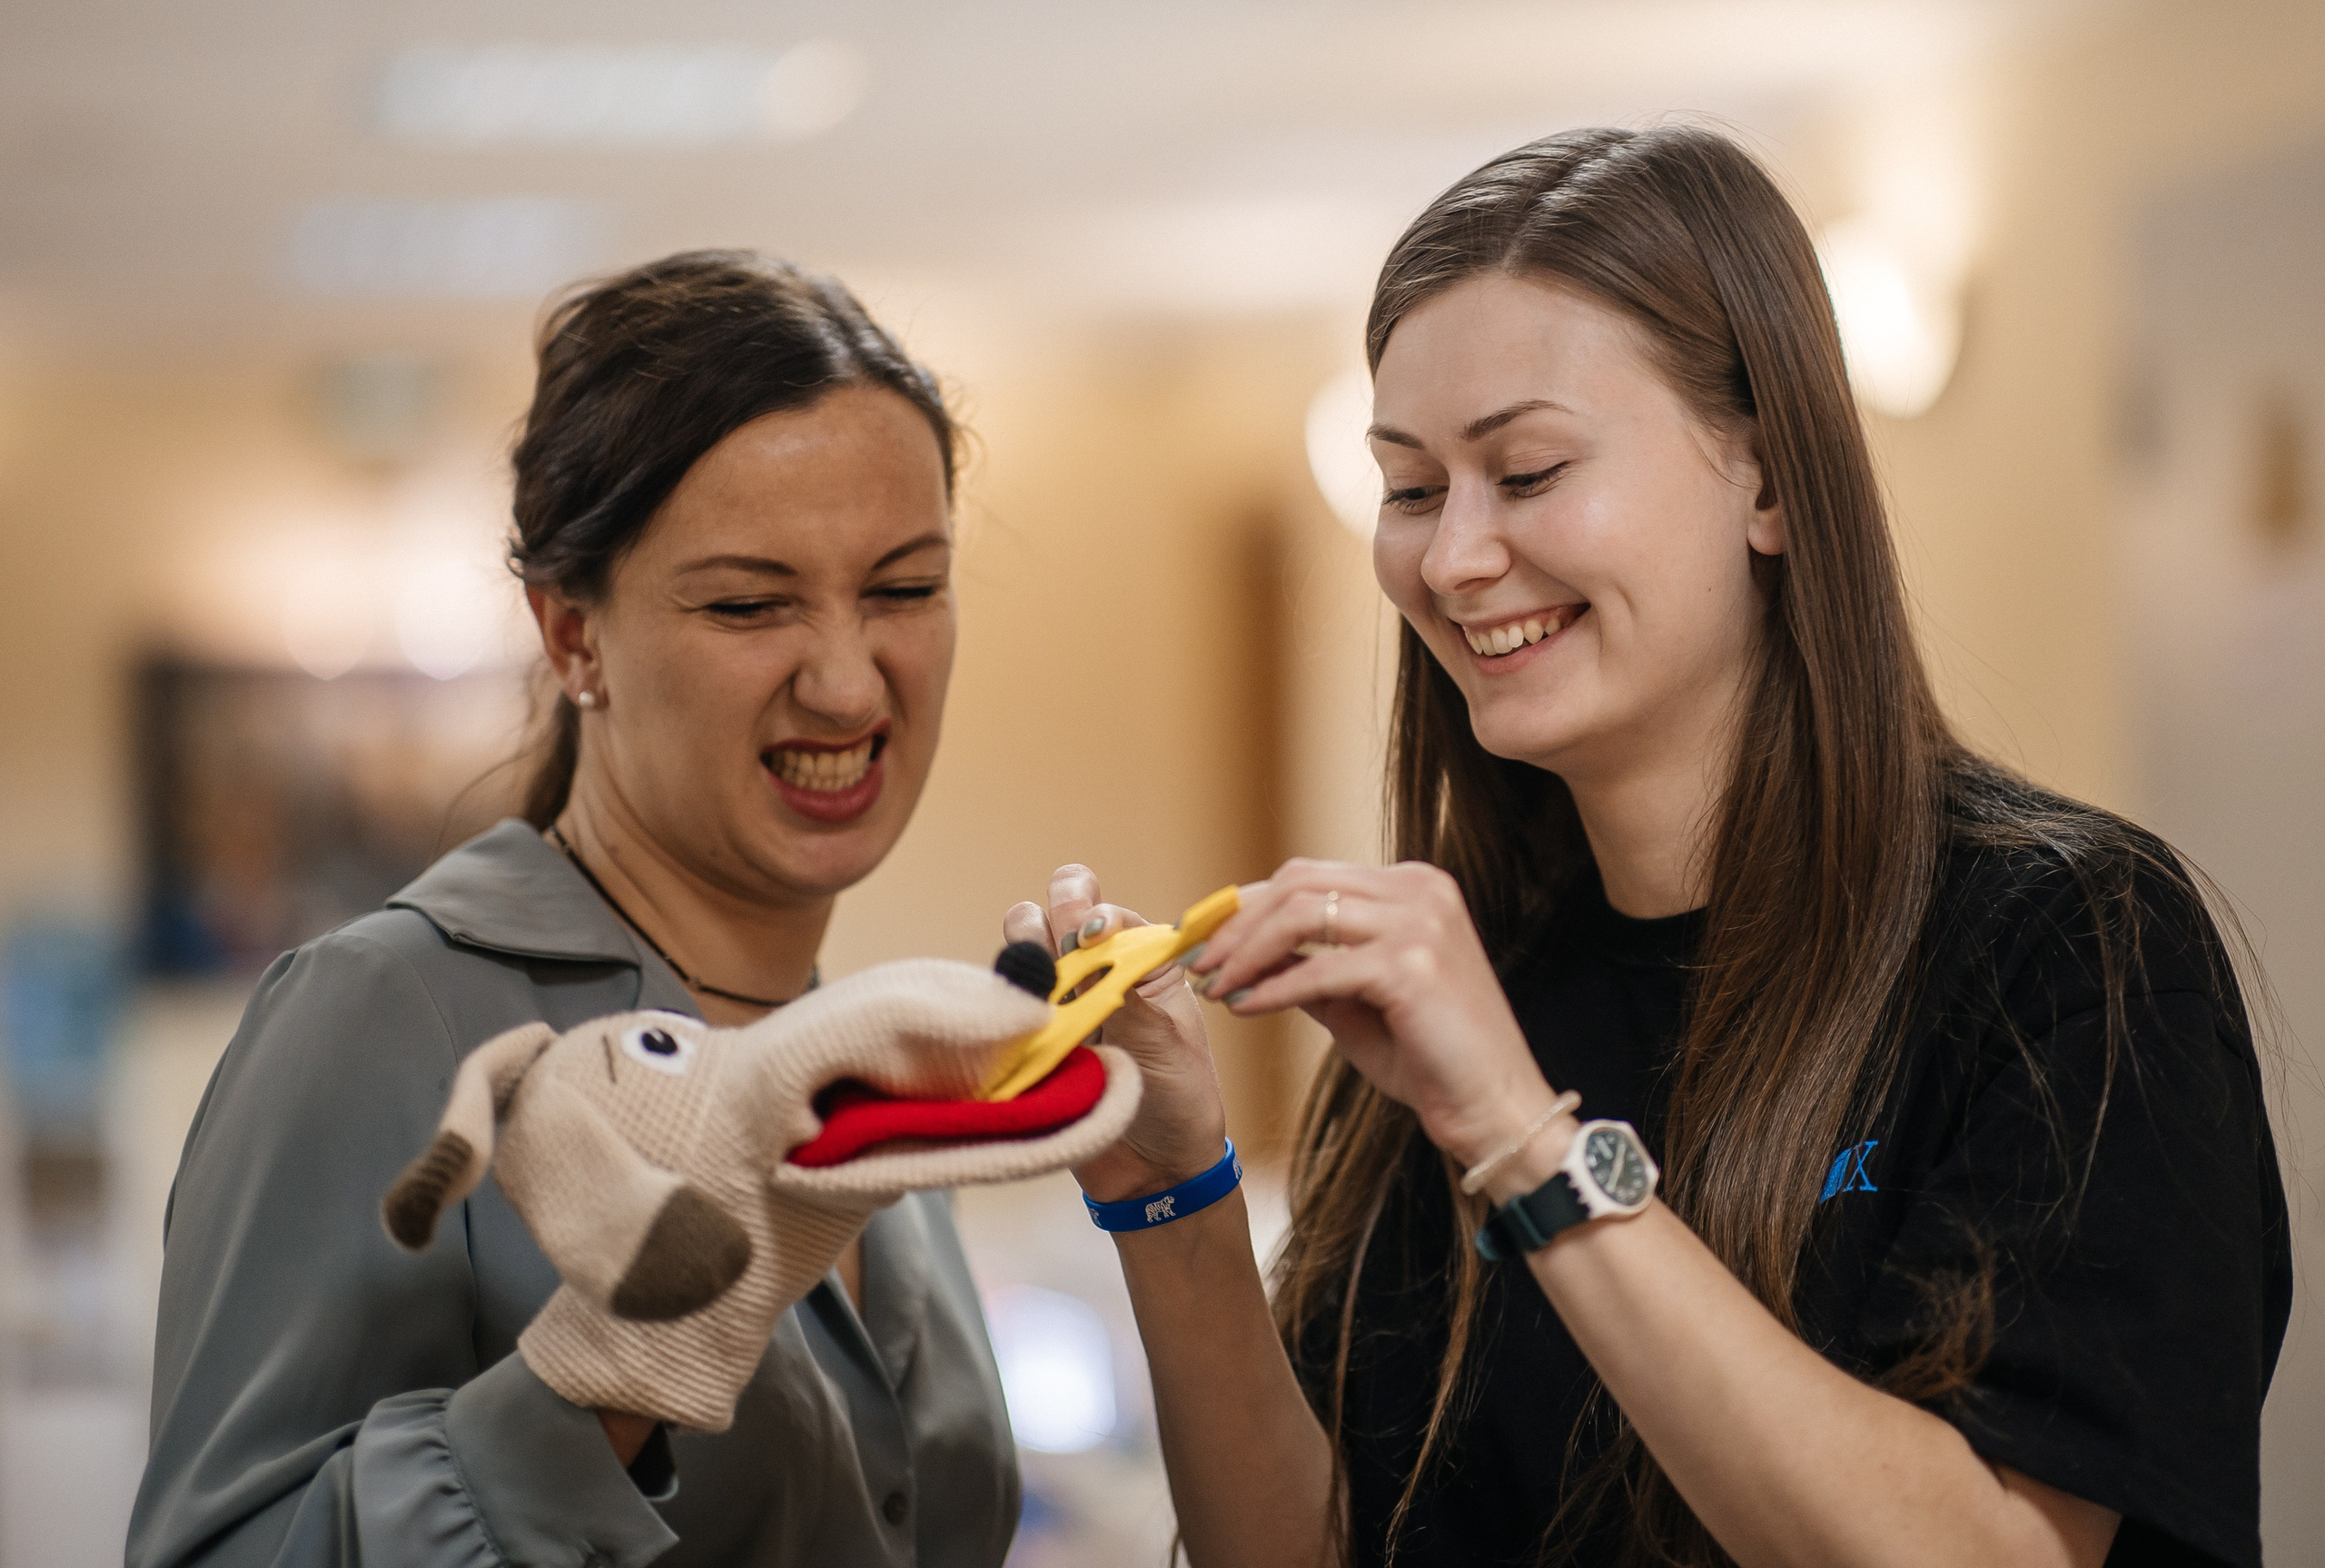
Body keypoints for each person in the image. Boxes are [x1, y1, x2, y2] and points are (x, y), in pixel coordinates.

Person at [1016, 127, 2291, 1568]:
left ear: (1770, 483)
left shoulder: (2069, 944)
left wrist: (1521, 1138)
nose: (1450, 562)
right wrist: (1171, 1195)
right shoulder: (1473, 983)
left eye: (1530, 470)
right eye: (1415, 489)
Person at [132, 252, 1032, 1567]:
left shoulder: (866, 1051)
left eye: (903, 588)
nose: (849, 684)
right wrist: (602, 1382)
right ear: (571, 636)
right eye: (748, 604)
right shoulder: (385, 1013)